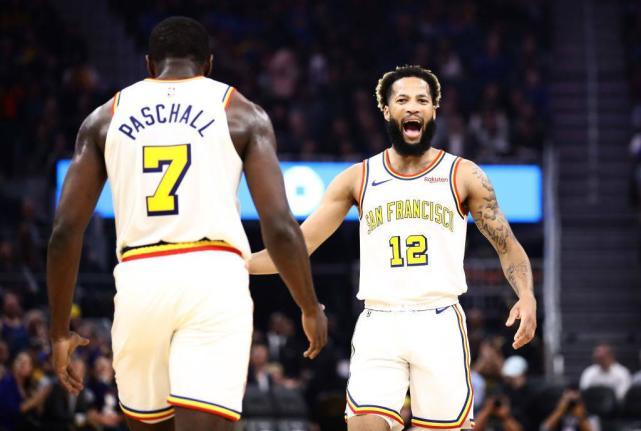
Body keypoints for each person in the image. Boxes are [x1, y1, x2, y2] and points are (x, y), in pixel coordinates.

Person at [47, 16, 327, 431]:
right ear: (208, 64)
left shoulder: (104, 118)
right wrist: (308, 306)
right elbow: (281, 227)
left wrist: (58, 332)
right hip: (213, 277)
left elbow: (64, 233)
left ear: (148, 64)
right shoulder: (241, 112)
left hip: (139, 278)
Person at [250, 65, 537, 431]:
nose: (412, 107)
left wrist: (526, 294)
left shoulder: (463, 174)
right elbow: (299, 245)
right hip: (380, 320)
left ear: (434, 110)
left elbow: (506, 244)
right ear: (387, 111)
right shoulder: (358, 177)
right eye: (402, 100)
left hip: (438, 320)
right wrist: (240, 262)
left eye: (422, 100)